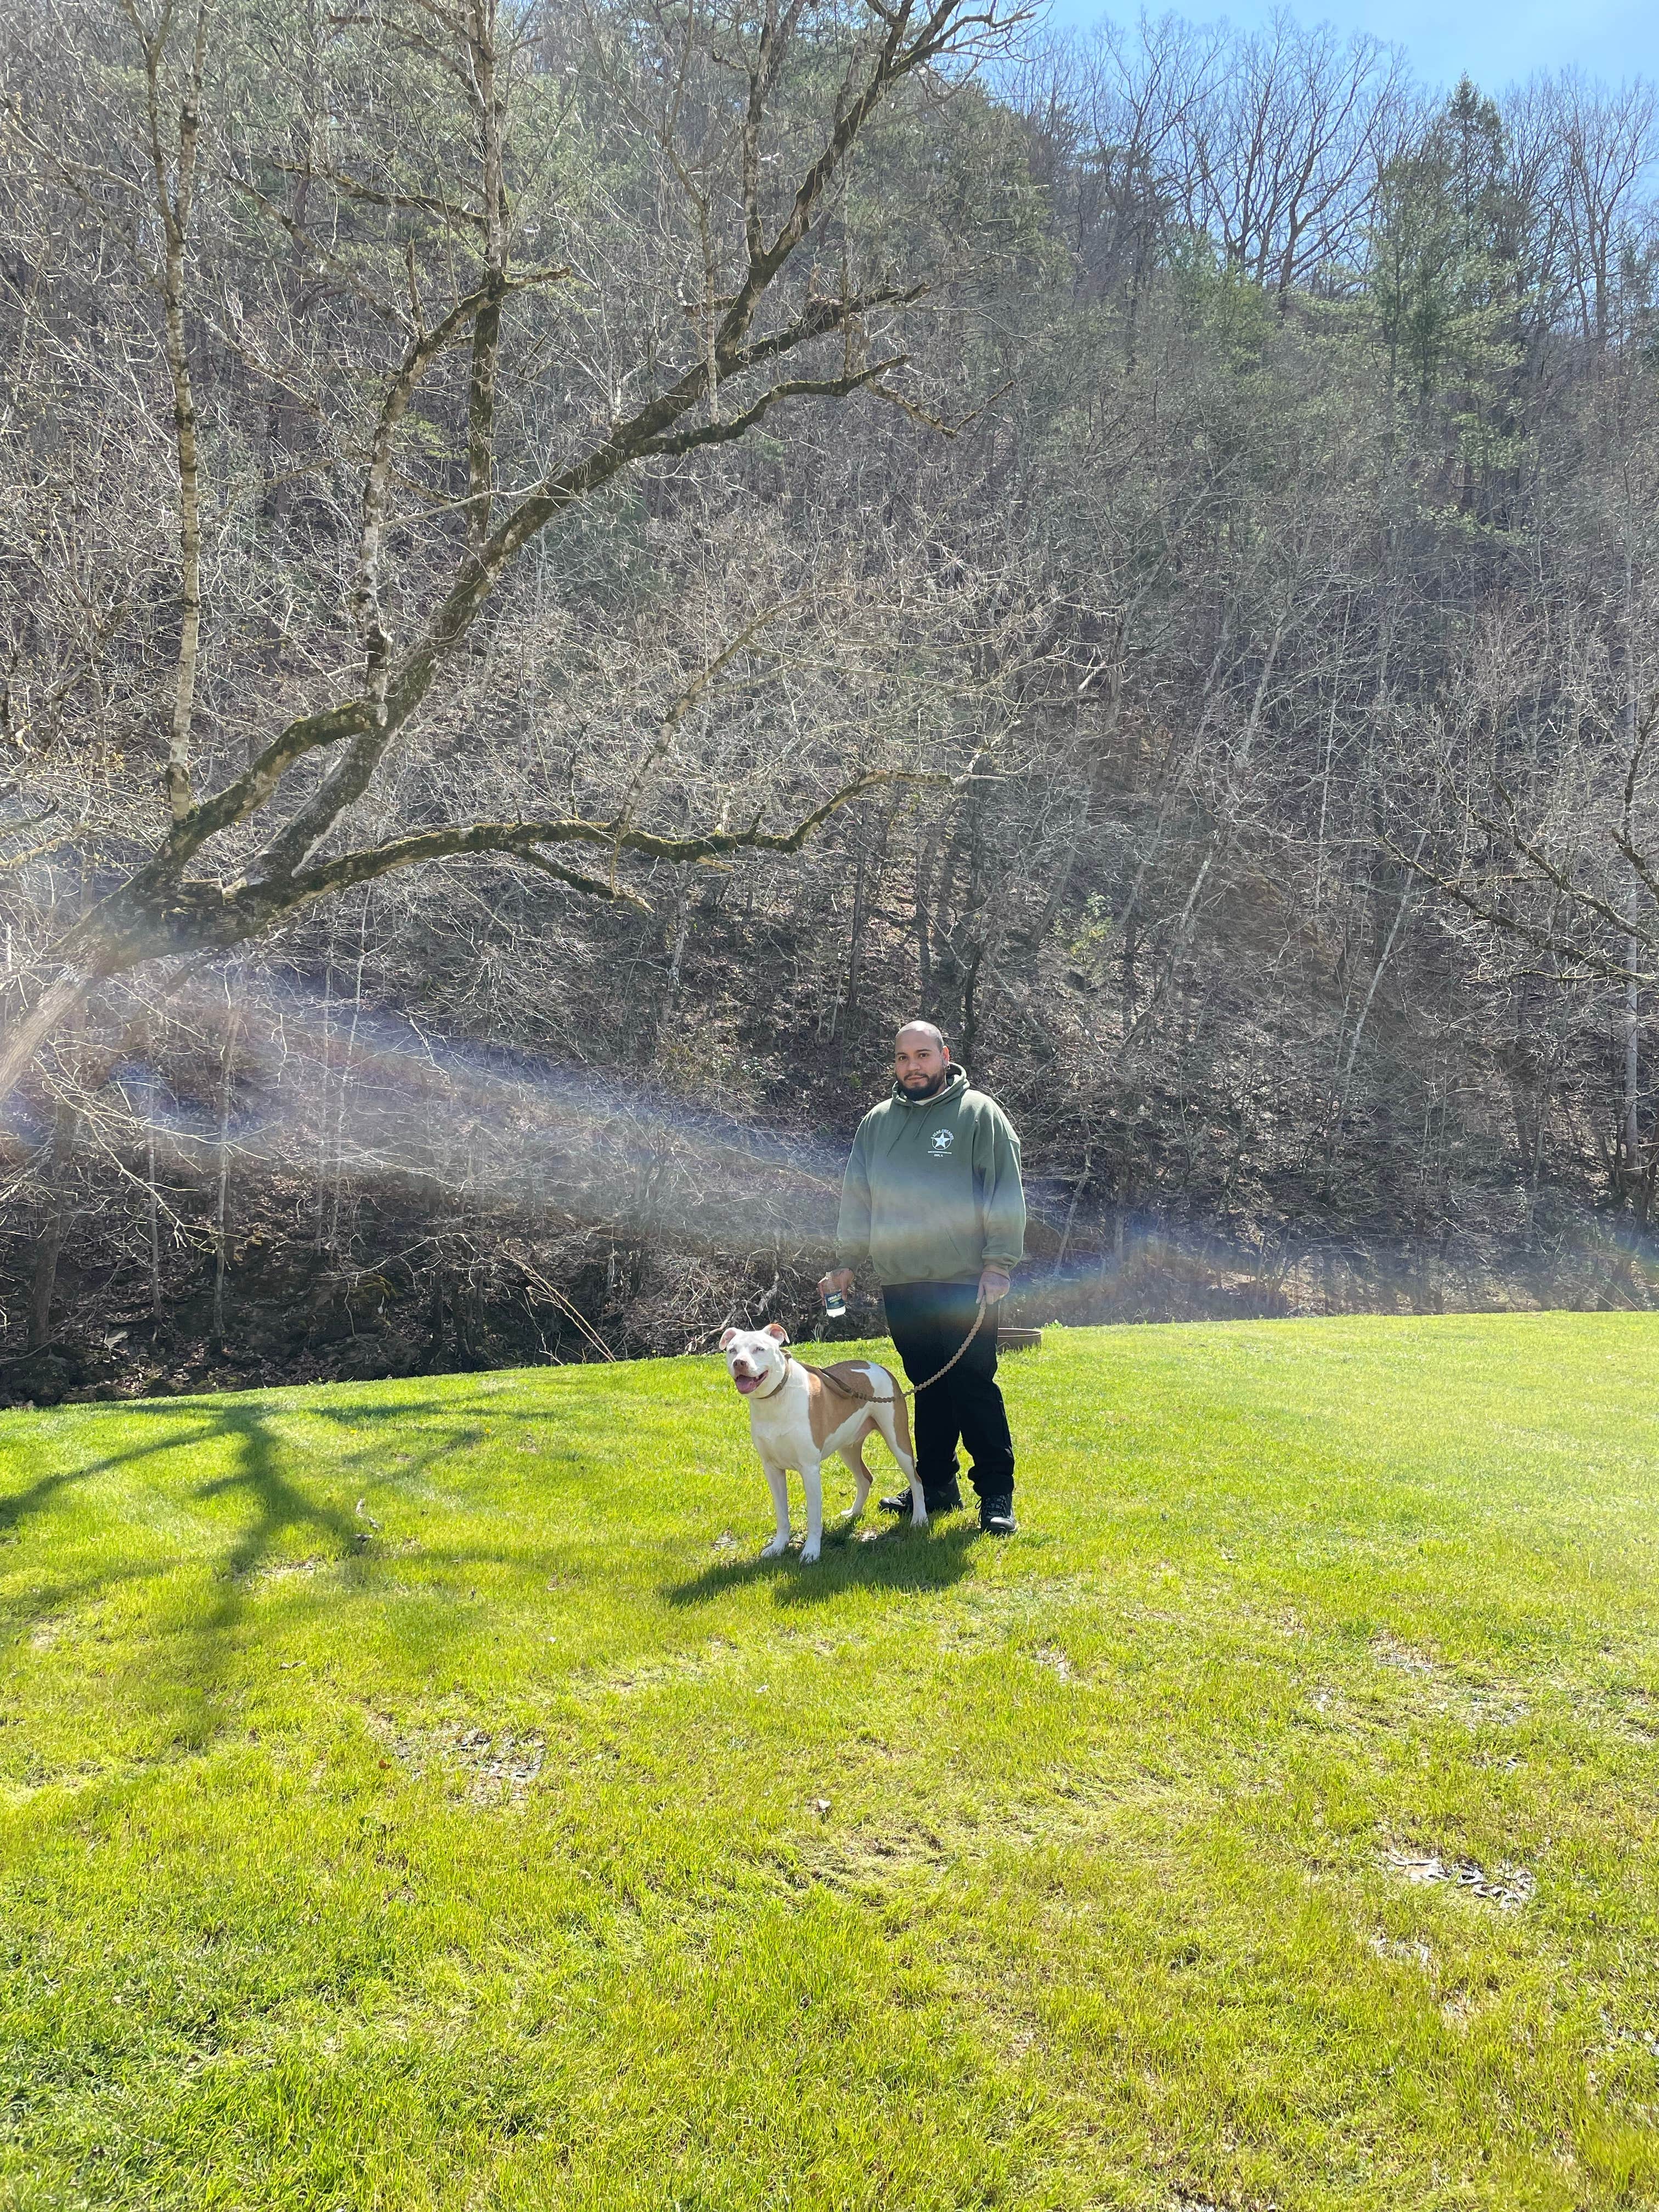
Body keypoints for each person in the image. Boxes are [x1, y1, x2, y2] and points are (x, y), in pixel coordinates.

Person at [818, 1020, 1025, 1536]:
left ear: (944, 1056)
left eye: (923, 1055)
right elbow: (858, 1199)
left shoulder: (979, 1114)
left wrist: (999, 1263)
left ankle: (996, 1493)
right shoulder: (876, 1124)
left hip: (966, 1281)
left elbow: (1004, 1192)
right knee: (928, 1387)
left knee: (972, 1385)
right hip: (902, 1282)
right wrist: (847, 1262)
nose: (913, 1066)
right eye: (903, 1057)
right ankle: (935, 1486)